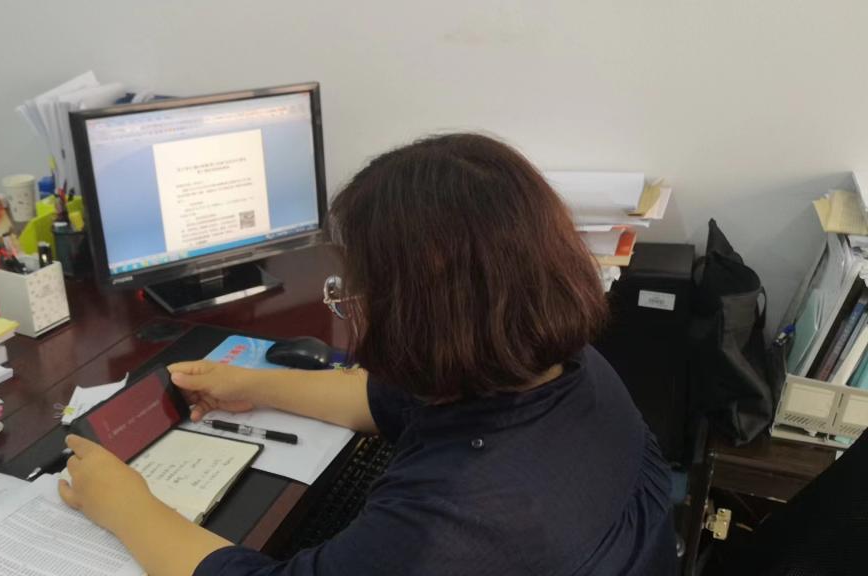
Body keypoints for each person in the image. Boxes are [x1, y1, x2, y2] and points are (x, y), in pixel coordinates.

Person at [59, 133, 677, 575]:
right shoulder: (562, 366)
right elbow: (386, 399)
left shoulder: (447, 523)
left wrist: (127, 507)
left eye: (355, 290)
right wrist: (249, 384)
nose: (351, 306)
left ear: (418, 311)